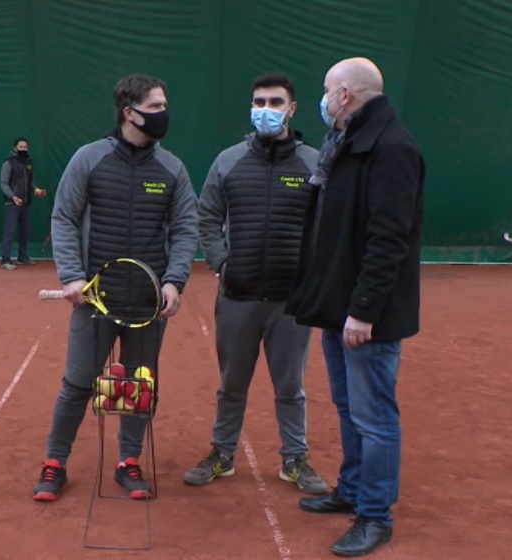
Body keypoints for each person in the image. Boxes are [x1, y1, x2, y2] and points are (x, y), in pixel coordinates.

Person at [32, 74, 198, 502]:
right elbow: (64, 218)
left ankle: (129, 462)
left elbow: (185, 229)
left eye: (164, 105)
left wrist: (175, 281)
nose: (164, 114)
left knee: (138, 385)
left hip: (147, 304)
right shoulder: (88, 160)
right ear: (130, 112)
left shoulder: (172, 169)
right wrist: (71, 276)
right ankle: (55, 463)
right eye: (156, 106)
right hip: (94, 301)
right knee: (78, 383)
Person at [286, 58, 425, 557]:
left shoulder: (392, 148)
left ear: (345, 95)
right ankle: (351, 491)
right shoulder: (345, 143)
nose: (323, 100)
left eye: (326, 90)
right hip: (337, 307)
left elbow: (389, 240)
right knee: (349, 408)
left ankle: (375, 515)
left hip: (367, 316)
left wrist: (364, 310)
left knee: (374, 416)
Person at [183, 72, 328, 495]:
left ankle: (294, 459)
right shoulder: (228, 161)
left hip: (292, 302)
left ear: (292, 108)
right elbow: (206, 216)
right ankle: (222, 454)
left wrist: (313, 271)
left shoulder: (314, 163)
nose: (266, 109)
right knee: (232, 384)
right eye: (259, 101)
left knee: (291, 387)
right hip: (237, 296)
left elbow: (329, 222)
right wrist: (221, 261)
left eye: (275, 102)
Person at [0, 138, 45, 269]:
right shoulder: (8, 163)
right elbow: (3, 183)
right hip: (12, 203)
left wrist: (36, 190)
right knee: (10, 231)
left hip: (26, 202)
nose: (23, 149)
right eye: (21, 146)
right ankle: (5, 260)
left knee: (25, 231)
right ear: (15, 148)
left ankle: (22, 257)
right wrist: (13, 197)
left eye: (25, 147)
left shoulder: (29, 162)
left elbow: (29, 181)